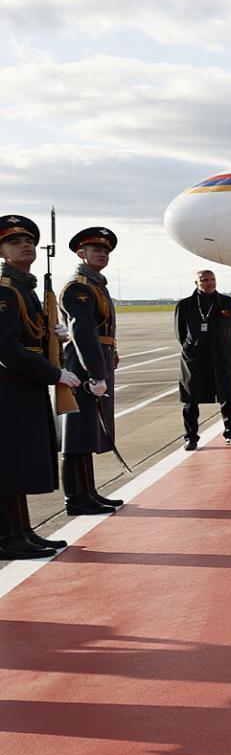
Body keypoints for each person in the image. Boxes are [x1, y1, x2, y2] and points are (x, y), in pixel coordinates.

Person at [0, 215, 83, 559]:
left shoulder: (25, 288)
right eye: (14, 242)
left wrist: (55, 337)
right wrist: (54, 374)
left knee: (20, 462)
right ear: (2, 252)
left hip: (25, 385)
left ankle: (22, 530)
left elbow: (30, 337)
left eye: (29, 241)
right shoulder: (5, 290)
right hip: (9, 388)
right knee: (9, 463)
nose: (25, 245)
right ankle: (8, 538)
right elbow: (6, 348)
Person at [60, 226, 123, 516]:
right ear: (80, 253)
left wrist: (112, 354)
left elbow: (102, 328)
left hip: (98, 359)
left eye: (106, 250)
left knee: (89, 430)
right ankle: (75, 497)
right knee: (78, 431)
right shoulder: (79, 287)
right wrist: (96, 373)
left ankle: (88, 492)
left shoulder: (96, 285)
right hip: (84, 364)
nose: (102, 254)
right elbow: (83, 333)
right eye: (96, 249)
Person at [176, 270, 231, 451]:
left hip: (221, 356)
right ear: (197, 283)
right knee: (190, 399)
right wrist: (192, 346)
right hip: (195, 358)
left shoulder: (227, 303)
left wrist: (226, 345)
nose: (210, 283)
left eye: (212, 279)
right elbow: (180, 333)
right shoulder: (185, 305)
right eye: (205, 280)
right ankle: (191, 437)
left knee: (227, 396)